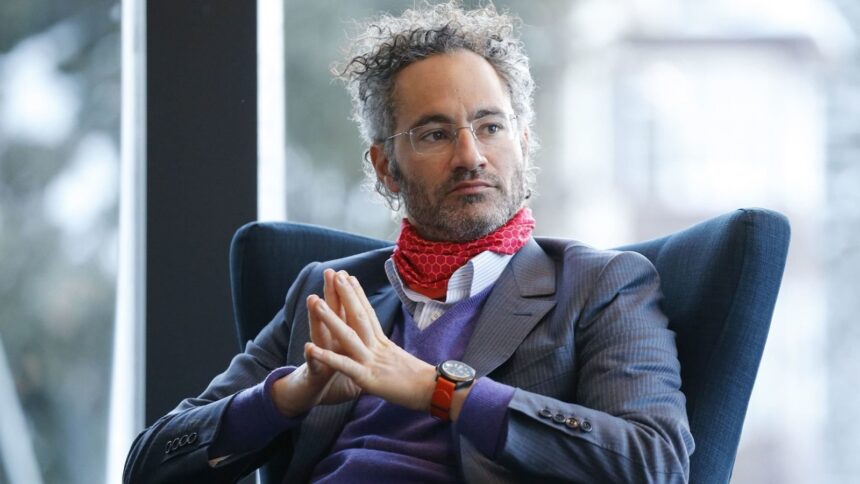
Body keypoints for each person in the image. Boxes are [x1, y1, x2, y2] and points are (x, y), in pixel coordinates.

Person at [123, 2, 694, 482]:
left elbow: (654, 461)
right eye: (436, 134)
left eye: (491, 127)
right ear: (385, 168)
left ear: (523, 141)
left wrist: (435, 389)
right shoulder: (327, 294)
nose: (471, 155)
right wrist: (289, 394)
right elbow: (148, 464)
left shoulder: (598, 284)